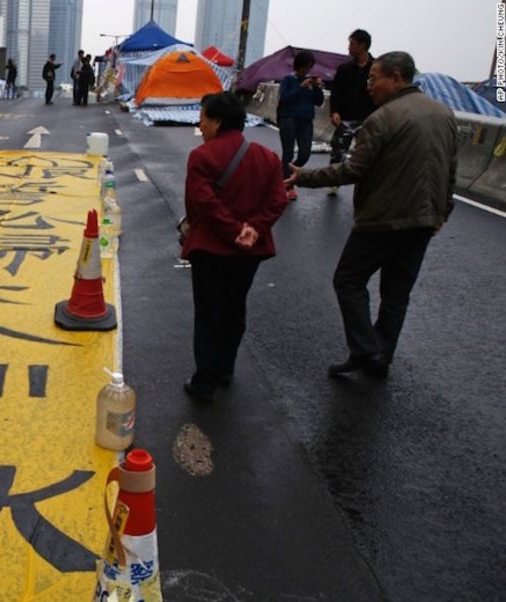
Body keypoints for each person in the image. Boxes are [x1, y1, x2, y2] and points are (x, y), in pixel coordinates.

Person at [286, 51, 458, 378]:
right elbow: (451, 169)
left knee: (348, 280)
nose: (369, 86)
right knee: (396, 294)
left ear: (396, 78)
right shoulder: (444, 113)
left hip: (383, 218)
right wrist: (442, 212)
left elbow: (353, 170)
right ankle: (381, 355)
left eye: (373, 78)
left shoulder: (382, 119)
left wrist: (303, 177)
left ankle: (366, 350)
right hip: (423, 220)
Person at [181, 92, 288, 402]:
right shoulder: (267, 156)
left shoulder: (202, 157)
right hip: (248, 251)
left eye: (202, 118)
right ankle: (225, 367)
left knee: (208, 314)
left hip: (211, 249)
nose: (200, 125)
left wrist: (233, 229)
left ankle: (205, 381)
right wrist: (253, 228)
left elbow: (202, 203)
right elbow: (278, 199)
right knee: (234, 308)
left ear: (216, 121)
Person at [327, 29, 376, 195]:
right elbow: (336, 92)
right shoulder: (344, 69)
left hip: (369, 119)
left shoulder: (376, 68)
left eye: (352, 44)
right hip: (346, 117)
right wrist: (334, 111)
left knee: (367, 155)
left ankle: (365, 187)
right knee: (338, 151)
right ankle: (334, 182)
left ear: (362, 46)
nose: (349, 47)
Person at [278, 51, 324, 201]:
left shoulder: (310, 83)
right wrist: (300, 88)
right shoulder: (288, 80)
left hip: (306, 121)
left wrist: (318, 87)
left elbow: (318, 101)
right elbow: (284, 99)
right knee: (288, 153)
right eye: (306, 67)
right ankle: (287, 185)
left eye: (310, 68)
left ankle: (283, 174)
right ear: (299, 66)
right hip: (289, 119)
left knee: (304, 154)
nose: (308, 71)